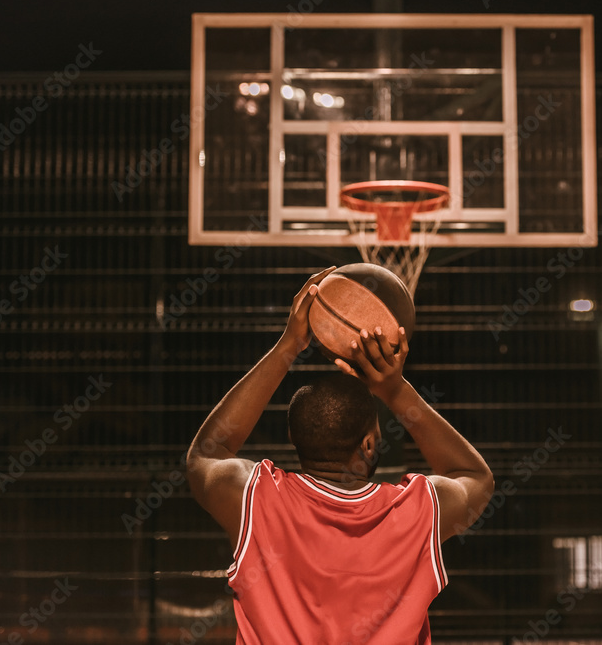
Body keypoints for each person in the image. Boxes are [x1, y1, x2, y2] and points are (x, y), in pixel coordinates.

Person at [186, 267, 494, 644]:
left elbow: (206, 454)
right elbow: (474, 476)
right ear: (368, 444)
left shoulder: (256, 499)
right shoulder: (416, 512)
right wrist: (395, 390)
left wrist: (288, 346)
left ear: (292, 436)